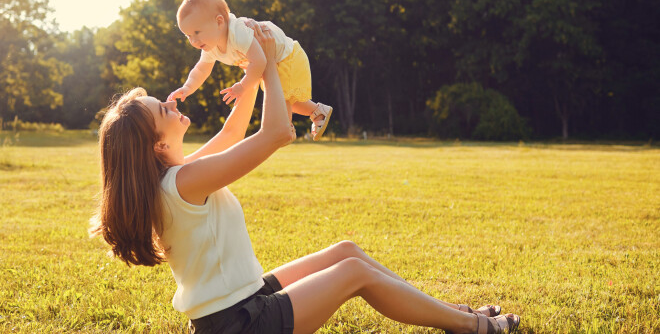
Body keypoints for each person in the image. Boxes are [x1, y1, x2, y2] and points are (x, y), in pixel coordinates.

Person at [90, 29, 520, 334]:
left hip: (242, 301)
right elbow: (277, 132)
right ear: (155, 145)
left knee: (346, 252)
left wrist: (255, 69)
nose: (169, 102)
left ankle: (451, 313)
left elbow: (232, 134)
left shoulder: (175, 179)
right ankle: (472, 326)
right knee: (353, 272)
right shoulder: (184, 181)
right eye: (161, 110)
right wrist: (272, 65)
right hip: (240, 322)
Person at [168, 0, 332, 141]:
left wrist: (243, 85)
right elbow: (201, 69)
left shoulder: (237, 32)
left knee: (280, 99)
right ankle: (317, 111)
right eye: (188, 35)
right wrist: (187, 87)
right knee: (289, 99)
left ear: (219, 22)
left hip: (286, 56)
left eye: (197, 32)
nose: (193, 41)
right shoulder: (211, 46)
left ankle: (283, 129)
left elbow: (259, 61)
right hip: (272, 63)